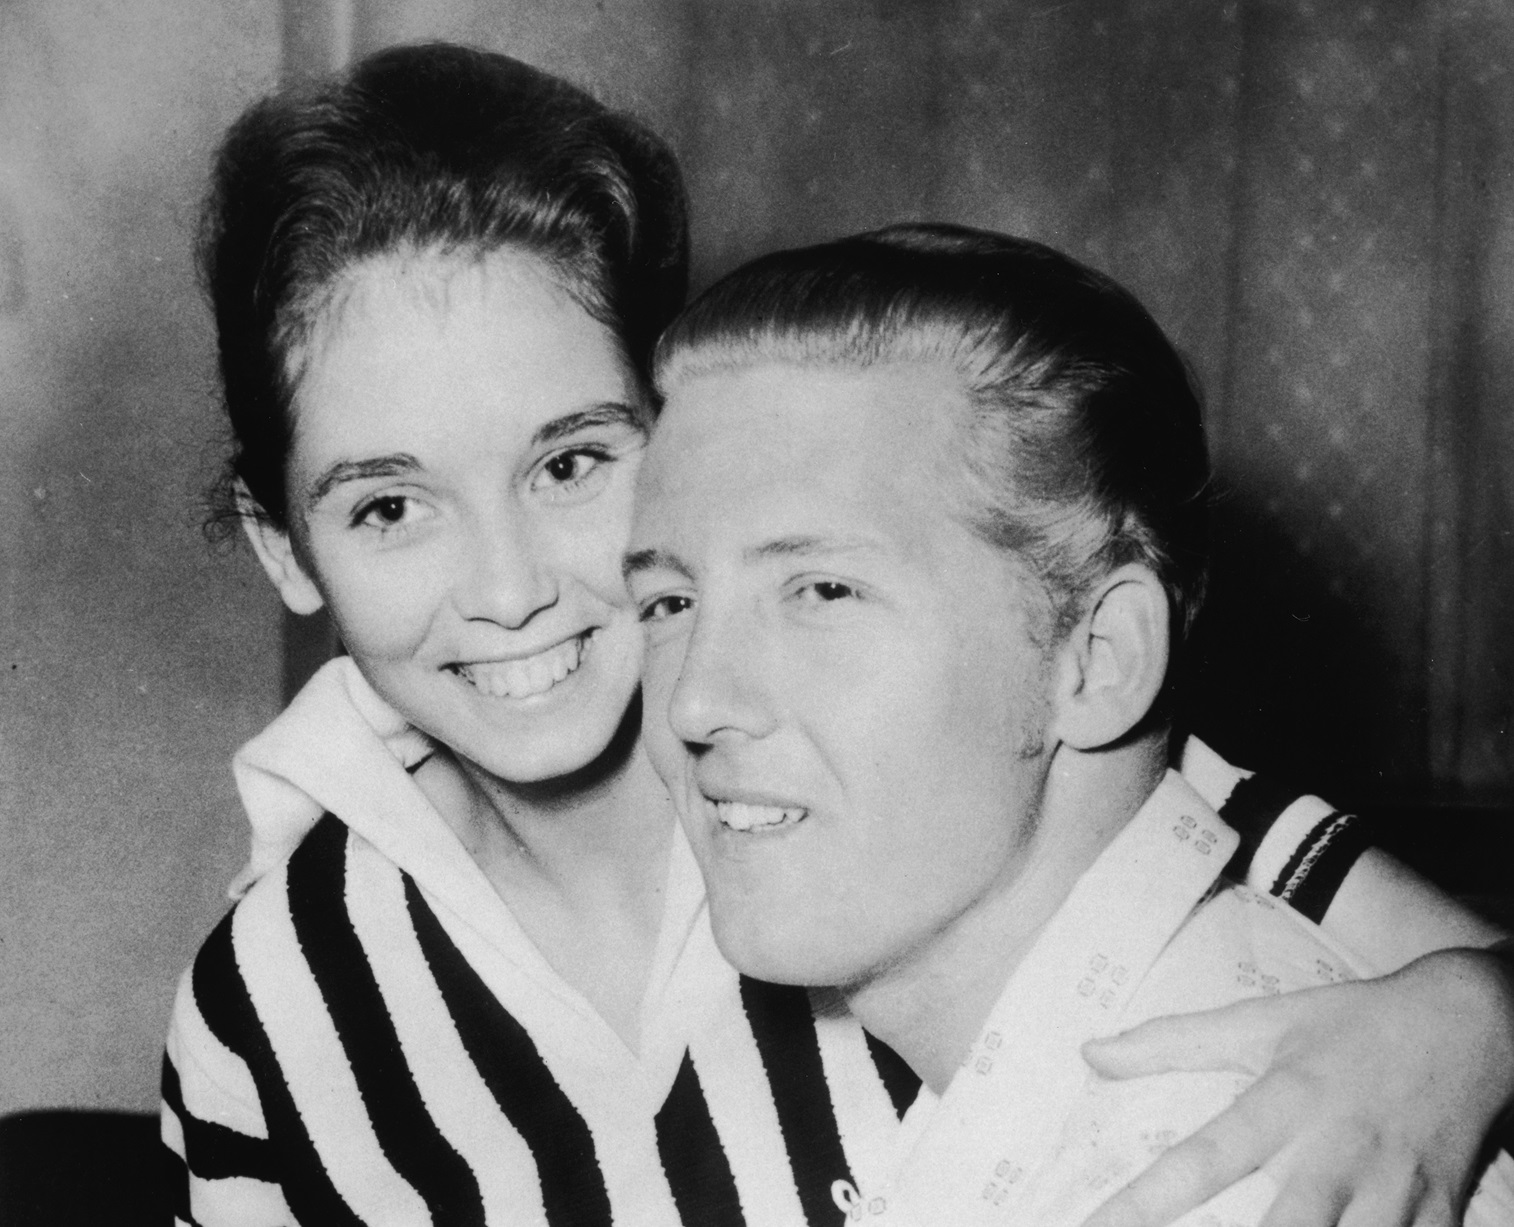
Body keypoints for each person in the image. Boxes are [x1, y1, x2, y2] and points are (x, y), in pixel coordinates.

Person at [163, 41, 1513, 1227]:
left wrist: (1464, 1021)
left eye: (570, 464)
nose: (506, 587)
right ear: (284, 545)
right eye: (390, 506)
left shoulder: (940, 767)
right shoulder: (273, 996)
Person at [626, 223, 1514, 1227]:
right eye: (670, 602)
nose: (694, 701)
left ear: (1100, 659)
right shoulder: (1080, 1071)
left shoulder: (1223, 1181)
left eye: (823, 590)